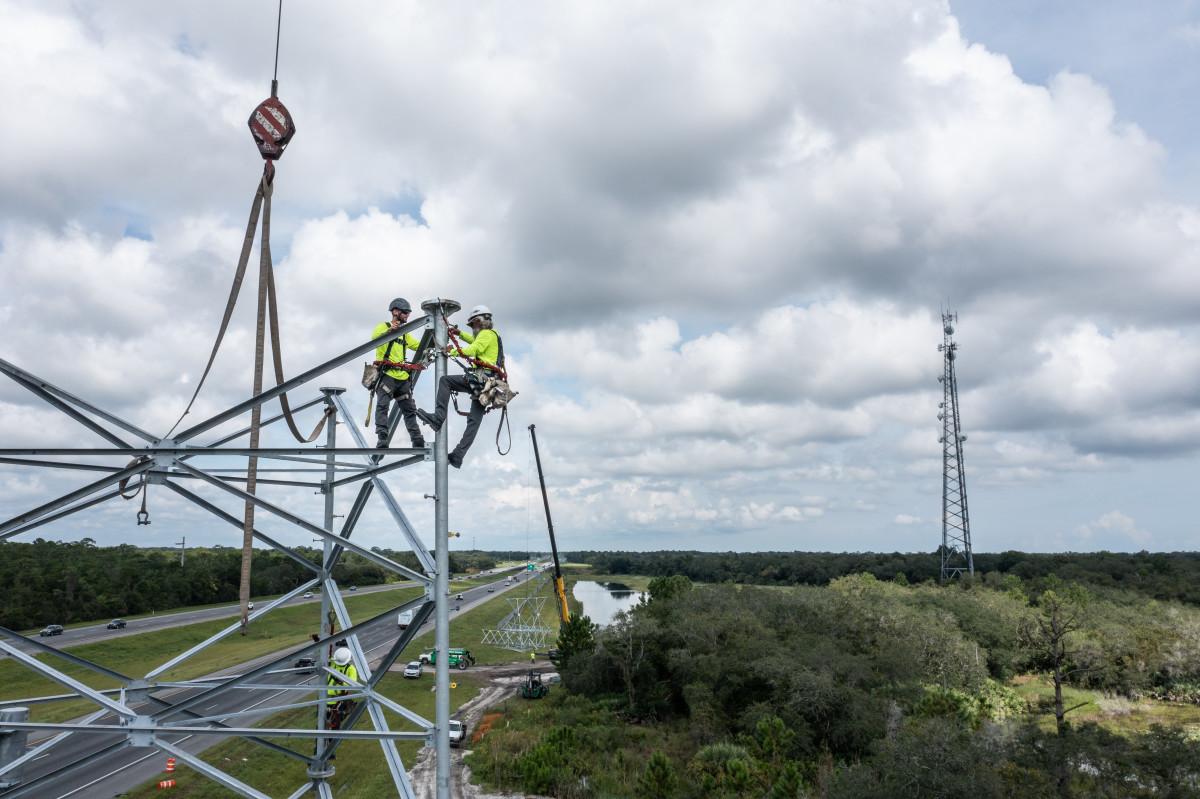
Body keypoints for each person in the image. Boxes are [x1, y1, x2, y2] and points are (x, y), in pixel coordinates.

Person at [416, 305, 503, 469]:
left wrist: (452, 350)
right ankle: (458, 456)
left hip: (482, 380)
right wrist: (459, 334)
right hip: (489, 384)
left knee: (445, 381)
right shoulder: (493, 335)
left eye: (473, 324)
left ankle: (438, 418)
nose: (472, 328)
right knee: (474, 422)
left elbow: (474, 348)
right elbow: (475, 342)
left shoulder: (486, 334)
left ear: (479, 321)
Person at [371, 298, 424, 449]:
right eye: (405, 312)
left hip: (402, 378)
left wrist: (437, 341)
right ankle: (382, 438)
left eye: (408, 313)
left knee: (409, 410)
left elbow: (419, 346)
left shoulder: (405, 334)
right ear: (395, 311)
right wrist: (388, 331)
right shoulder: (383, 327)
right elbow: (374, 338)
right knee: (383, 406)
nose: (407, 315)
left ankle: (417, 439)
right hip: (387, 375)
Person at [326, 646, 358, 730]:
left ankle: (332, 738)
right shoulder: (332, 663)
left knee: (335, 725)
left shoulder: (350, 669)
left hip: (338, 702)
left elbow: (352, 684)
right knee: (323, 724)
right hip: (327, 700)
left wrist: (342, 683)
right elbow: (323, 653)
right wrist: (319, 642)